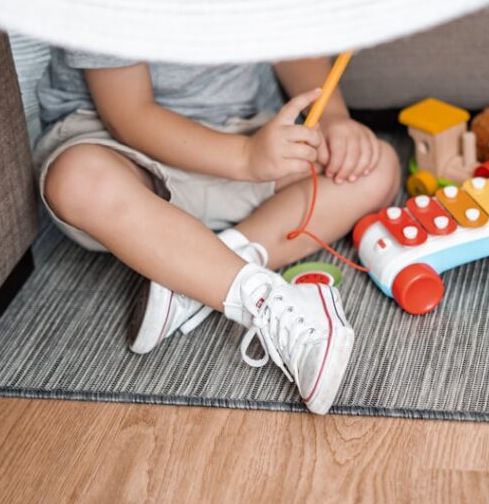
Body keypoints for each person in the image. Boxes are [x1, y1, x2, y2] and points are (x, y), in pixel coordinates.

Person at [34, 51, 400, 414]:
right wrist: (245, 157)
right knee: (77, 181)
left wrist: (335, 119)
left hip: (243, 130)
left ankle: (198, 273)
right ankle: (259, 296)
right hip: (122, 147)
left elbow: (289, 44)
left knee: (376, 167)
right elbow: (129, 115)